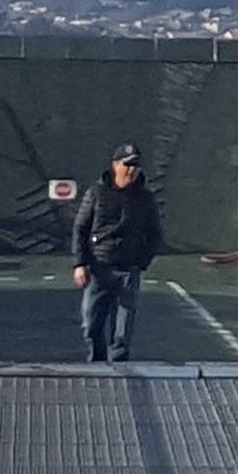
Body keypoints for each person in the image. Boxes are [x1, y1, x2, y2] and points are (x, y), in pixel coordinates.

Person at [72, 144, 163, 363]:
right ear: (115, 165)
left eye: (136, 165)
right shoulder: (96, 193)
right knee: (91, 325)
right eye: (127, 164)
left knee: (121, 332)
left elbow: (155, 233)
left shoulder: (144, 198)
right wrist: (80, 264)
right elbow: (80, 228)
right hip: (99, 268)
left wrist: (142, 260)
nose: (132, 170)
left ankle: (120, 374)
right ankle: (97, 364)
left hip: (128, 271)